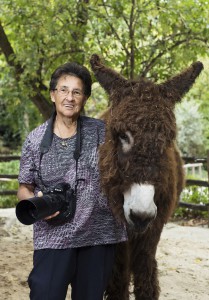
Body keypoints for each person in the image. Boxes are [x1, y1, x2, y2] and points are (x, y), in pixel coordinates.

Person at [17, 61, 128, 300]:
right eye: (63, 90)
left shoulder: (103, 132)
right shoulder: (35, 140)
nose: (70, 97)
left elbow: (131, 155)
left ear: (85, 98)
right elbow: (24, 187)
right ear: (53, 94)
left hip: (98, 237)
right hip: (52, 236)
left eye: (77, 92)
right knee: (43, 294)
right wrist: (36, 205)